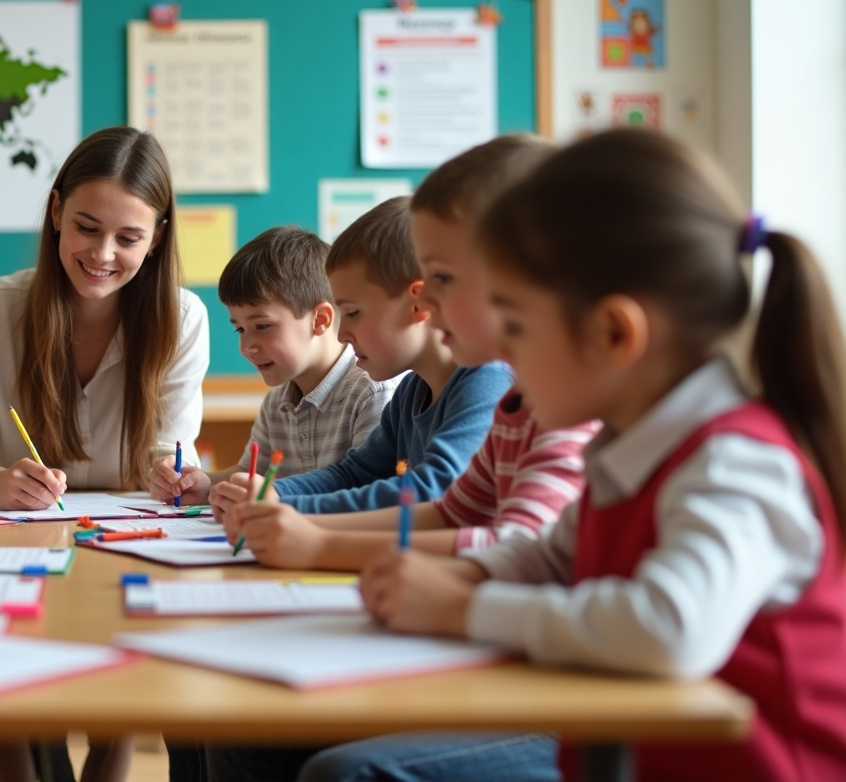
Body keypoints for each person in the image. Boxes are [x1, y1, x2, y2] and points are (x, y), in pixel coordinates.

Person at [360, 128, 846, 780]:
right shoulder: (635, 444)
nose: (506, 356)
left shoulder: (736, 462)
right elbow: (552, 555)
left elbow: (668, 628)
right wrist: (465, 577)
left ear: (613, 334)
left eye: (520, 328)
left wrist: (462, 609)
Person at [0, 126, 209, 782]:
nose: (103, 254)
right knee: (2, 693)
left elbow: (173, 454)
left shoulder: (184, 318)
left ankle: (109, 755)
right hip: (16, 544)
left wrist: (175, 475)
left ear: (158, 237)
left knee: (138, 636)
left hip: (128, 548)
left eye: (129, 238)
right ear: (55, 212)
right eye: (86, 227)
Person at [231, 136, 597, 573]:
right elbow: (449, 510)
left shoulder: (503, 384)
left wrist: (316, 540)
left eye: (442, 277)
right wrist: (282, 504)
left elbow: (496, 535)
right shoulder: (444, 396)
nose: (430, 296)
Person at [208, 198, 509, 524]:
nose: (341, 334)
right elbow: (355, 474)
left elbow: (434, 490)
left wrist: (292, 511)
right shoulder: (411, 392)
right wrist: (275, 495)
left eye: (352, 313)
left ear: (418, 303)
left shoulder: (487, 377)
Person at [148, 226, 396, 506]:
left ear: (320, 320)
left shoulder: (371, 392)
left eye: (262, 326)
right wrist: (205, 485)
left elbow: (368, 489)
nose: (246, 347)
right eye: (240, 329)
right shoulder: (278, 401)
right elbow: (251, 474)